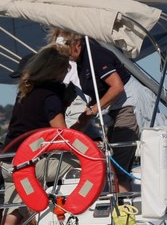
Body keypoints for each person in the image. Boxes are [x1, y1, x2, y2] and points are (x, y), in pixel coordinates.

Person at [50, 28, 139, 193]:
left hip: (126, 108)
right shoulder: (79, 62)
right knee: (112, 166)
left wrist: (94, 109)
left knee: (118, 169)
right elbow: (96, 91)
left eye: (65, 51)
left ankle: (122, 212)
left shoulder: (96, 55)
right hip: (112, 112)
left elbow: (117, 86)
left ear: (77, 43)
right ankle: (118, 206)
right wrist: (78, 125)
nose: (65, 56)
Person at [0, 45, 78, 225]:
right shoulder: (50, 97)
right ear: (56, 70)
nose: (68, 70)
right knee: (86, 161)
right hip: (27, 165)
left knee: (12, 212)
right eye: (66, 67)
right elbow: (63, 134)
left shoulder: (26, 92)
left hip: (7, 164)